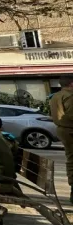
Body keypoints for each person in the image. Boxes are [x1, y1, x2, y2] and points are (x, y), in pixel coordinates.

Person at [50, 75, 73, 204]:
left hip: (62, 129)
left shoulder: (56, 96)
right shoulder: (70, 96)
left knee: (70, 158)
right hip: (70, 130)